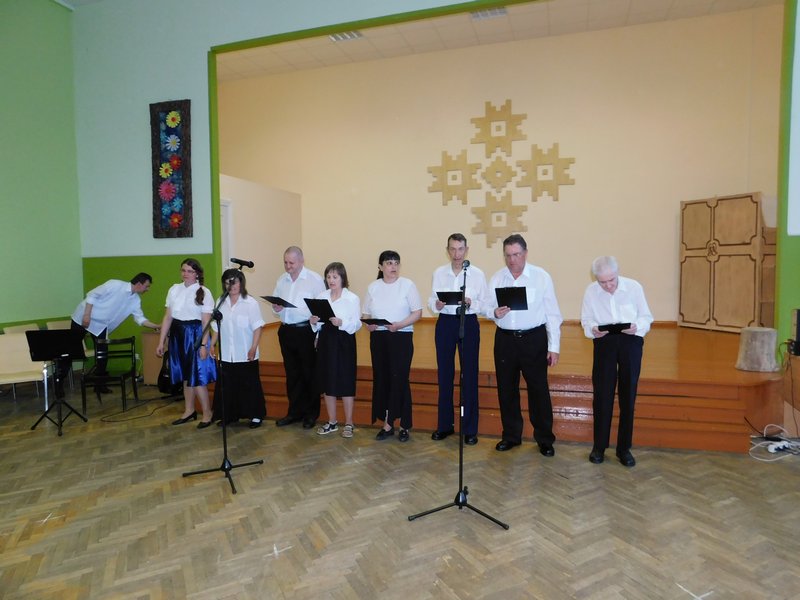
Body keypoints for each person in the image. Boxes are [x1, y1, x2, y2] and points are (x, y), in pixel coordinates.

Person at [485, 234, 562, 456]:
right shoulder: (497, 278)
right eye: (508, 255)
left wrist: (554, 347)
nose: (512, 260)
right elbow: (486, 307)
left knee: (538, 390)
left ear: (525, 253)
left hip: (533, 339)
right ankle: (511, 436)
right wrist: (494, 312)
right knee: (506, 389)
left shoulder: (541, 277)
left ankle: (544, 439)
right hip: (505, 340)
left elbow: (553, 314)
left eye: (516, 254)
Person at [580, 256, 653, 467]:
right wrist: (593, 329)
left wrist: (637, 327)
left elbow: (646, 317)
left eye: (611, 280)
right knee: (602, 395)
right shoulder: (591, 291)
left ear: (617, 273)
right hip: (605, 342)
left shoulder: (634, 287)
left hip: (631, 341)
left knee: (628, 395)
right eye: (602, 282)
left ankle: (624, 449)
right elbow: (586, 320)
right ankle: (599, 447)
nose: (608, 286)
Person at [428, 233, 488, 445]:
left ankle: (470, 429)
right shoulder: (439, 272)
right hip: (445, 323)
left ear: (466, 250)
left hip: (468, 322)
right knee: (444, 375)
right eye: (452, 249)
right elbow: (431, 300)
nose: (456, 254)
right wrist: (436, 305)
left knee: (469, 375)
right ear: (447, 250)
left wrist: (472, 303)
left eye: (460, 249)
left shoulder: (477, 274)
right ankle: (445, 425)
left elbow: (485, 304)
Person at [363, 250, 422, 442]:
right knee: (383, 379)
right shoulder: (373, 287)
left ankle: (404, 425)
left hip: (401, 337)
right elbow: (366, 314)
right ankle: (387, 425)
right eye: (389, 263)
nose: (393, 266)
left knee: (400, 379)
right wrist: (369, 325)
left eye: (396, 263)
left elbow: (417, 312)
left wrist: (399, 325)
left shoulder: (407, 285)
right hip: (379, 338)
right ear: (380, 267)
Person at [156, 258, 217, 429]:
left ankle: (207, 413)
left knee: (197, 377)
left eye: (190, 271)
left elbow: (205, 322)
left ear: (197, 273)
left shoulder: (204, 292)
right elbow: (168, 317)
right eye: (183, 270)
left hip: (195, 335)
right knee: (184, 375)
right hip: (178, 335)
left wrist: (204, 345)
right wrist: (161, 341)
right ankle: (189, 410)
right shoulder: (174, 289)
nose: (186, 274)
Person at [70, 273, 161, 388]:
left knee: (103, 355)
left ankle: (99, 385)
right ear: (139, 284)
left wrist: (156, 326)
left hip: (100, 326)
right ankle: (59, 381)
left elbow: (140, 319)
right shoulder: (115, 284)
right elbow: (92, 295)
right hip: (82, 318)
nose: (148, 289)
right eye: (147, 286)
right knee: (70, 350)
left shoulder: (135, 300)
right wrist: (86, 315)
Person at [269, 246, 325, 429]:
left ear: (301, 261)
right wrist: (276, 308)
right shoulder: (282, 280)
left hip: (306, 331)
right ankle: (294, 412)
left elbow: (321, 308)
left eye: (291, 263)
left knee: (309, 373)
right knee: (292, 374)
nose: (288, 266)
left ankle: (311, 414)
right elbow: (276, 307)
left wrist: (318, 333)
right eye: (285, 262)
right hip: (286, 331)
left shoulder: (314, 280)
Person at [209, 269, 267, 429]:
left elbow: (257, 328)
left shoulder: (250, 303)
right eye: (228, 282)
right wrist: (212, 344)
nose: (232, 285)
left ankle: (256, 416)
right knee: (228, 387)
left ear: (241, 283)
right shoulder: (220, 302)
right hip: (227, 354)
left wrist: (253, 347)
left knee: (250, 386)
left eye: (234, 281)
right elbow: (216, 327)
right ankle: (230, 415)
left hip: (245, 353)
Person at [310, 262, 362, 439]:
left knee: (346, 380)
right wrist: (314, 321)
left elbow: (357, 324)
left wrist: (342, 323)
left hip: (344, 340)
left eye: (335, 277)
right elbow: (318, 324)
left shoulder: (352, 298)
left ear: (342, 278)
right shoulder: (322, 296)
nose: (331, 280)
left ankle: (349, 422)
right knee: (327, 381)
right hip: (326, 340)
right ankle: (332, 421)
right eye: (328, 277)